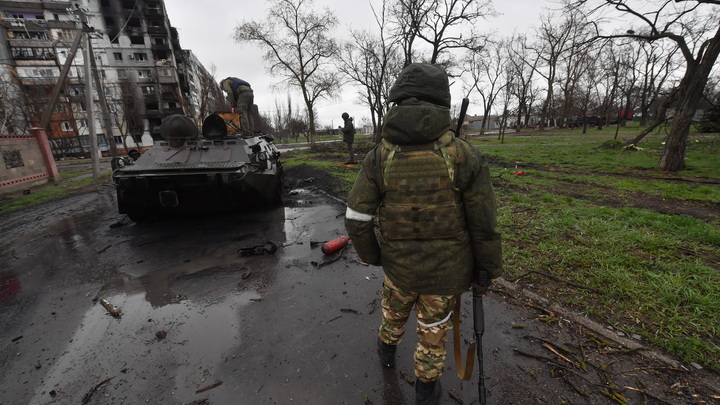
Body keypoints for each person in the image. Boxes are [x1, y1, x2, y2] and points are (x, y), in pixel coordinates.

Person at [344, 63, 502, 405]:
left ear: (397, 100)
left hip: (398, 269)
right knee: (433, 335)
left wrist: (375, 257)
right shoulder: (464, 155)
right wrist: (485, 271)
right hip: (445, 276)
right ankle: (426, 392)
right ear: (443, 102)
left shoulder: (379, 156)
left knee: (393, 315)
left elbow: (356, 218)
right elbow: (483, 224)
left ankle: (386, 353)